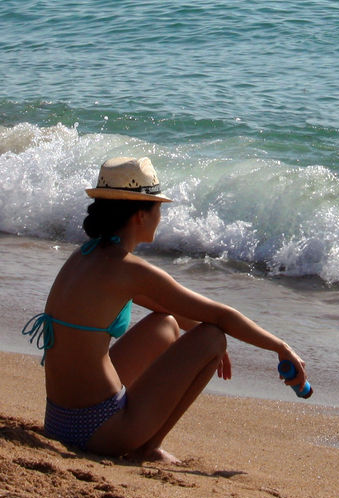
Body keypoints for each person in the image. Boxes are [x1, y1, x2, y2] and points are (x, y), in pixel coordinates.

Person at [22, 156, 309, 464]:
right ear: (139, 216)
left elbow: (164, 308)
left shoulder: (84, 257)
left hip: (59, 421)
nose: (161, 215)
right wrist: (280, 347)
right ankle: (148, 447)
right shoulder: (130, 270)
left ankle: (146, 438)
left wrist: (194, 341)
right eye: (158, 207)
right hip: (100, 430)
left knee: (166, 324)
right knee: (213, 337)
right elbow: (221, 316)